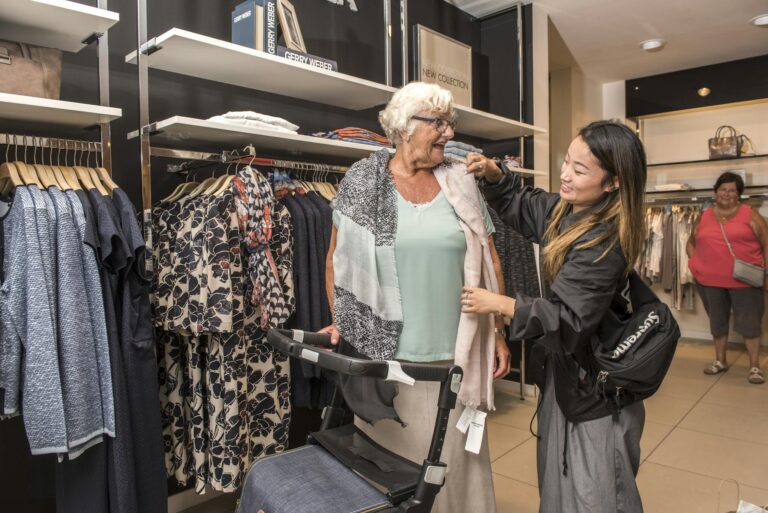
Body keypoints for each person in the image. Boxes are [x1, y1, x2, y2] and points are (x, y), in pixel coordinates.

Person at [320, 81, 510, 513]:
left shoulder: (462, 182)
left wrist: (498, 332)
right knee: (395, 471)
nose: (448, 132)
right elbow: (336, 262)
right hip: (387, 362)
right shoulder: (361, 181)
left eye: (451, 123)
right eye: (438, 123)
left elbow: (491, 260)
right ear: (405, 128)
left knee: (456, 470)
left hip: (456, 357)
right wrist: (341, 317)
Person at [464, 120, 648, 513]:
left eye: (579, 171)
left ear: (613, 183)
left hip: (596, 393)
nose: (564, 175)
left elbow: (570, 322)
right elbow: (524, 204)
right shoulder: (569, 210)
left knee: (595, 495)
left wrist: (500, 304)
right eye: (566, 161)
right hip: (567, 381)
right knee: (561, 486)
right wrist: (497, 176)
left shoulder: (604, 240)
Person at [686, 172, 767, 384]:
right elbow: (691, 242)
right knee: (717, 322)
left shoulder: (751, 215)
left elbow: (766, 244)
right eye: (723, 189)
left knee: (750, 324)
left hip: (745, 280)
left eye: (732, 190)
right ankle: (720, 360)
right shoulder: (703, 216)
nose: (727, 194)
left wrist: (766, 274)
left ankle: (754, 367)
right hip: (709, 281)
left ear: (738, 194)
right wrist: (695, 264)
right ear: (715, 192)